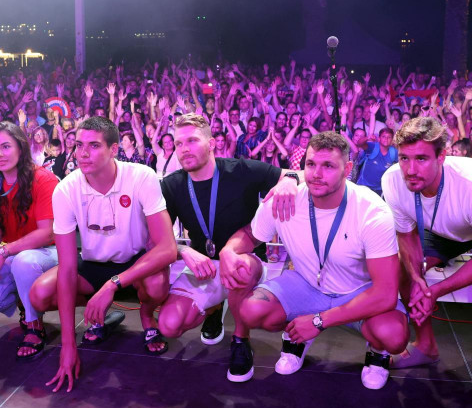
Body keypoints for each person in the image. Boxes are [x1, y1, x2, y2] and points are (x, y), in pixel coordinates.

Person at [220, 131, 408, 390]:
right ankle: (296, 335)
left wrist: (319, 321)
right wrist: (227, 251)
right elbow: (251, 235)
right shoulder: (284, 199)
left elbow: (386, 294)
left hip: (357, 291)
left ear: (348, 169)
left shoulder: (372, 212)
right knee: (252, 311)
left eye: (328, 165)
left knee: (394, 336)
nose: (317, 174)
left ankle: (377, 352)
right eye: (311, 164)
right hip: (307, 284)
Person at [29, 117, 176, 392]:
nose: (83, 153)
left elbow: (167, 247)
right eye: (79, 145)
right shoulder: (66, 189)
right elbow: (68, 268)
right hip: (95, 263)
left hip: (134, 262)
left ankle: (146, 315)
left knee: (157, 283)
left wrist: (114, 283)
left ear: (113, 149)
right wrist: (68, 344)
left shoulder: (141, 176)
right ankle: (100, 315)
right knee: (39, 294)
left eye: (94, 145)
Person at [157, 114, 301, 355]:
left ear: (212, 143)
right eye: (179, 143)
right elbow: (159, 239)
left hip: (245, 259)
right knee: (169, 325)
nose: (184, 149)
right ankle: (214, 308)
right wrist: (183, 250)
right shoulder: (172, 185)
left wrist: (291, 179)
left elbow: (294, 174)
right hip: (205, 265)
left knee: (237, 267)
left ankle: (240, 341)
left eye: (192, 141)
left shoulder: (240, 170)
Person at [381, 117, 472, 368]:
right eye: (404, 158)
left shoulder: (468, 184)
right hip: (440, 233)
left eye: (421, 159)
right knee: (401, 267)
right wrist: (417, 276)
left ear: (441, 157)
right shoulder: (392, 180)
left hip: (466, 226)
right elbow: (406, 234)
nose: (410, 170)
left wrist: (436, 291)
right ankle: (426, 345)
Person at [0, 122, 59, 359]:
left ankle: (34, 326)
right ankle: (24, 300)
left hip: (49, 252)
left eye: (6, 146)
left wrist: (3, 252)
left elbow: (47, 233)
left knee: (24, 262)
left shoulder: (43, 179)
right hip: (17, 253)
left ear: (21, 147)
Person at [356, 127, 397, 196]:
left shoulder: (394, 152)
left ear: (392, 140)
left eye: (389, 137)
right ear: (379, 138)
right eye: (383, 136)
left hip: (380, 189)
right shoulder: (373, 146)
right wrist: (368, 137)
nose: (386, 139)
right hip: (363, 185)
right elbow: (359, 143)